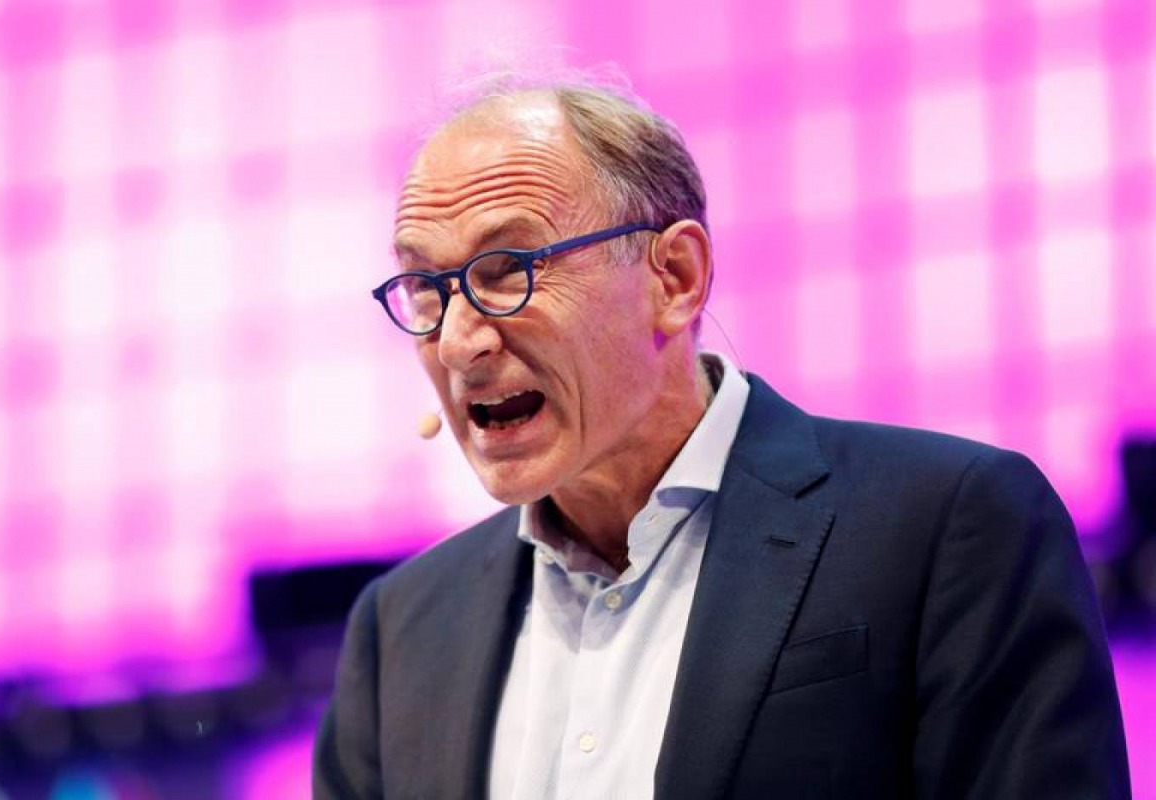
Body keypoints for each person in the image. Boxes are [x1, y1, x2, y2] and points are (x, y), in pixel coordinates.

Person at [314, 76, 1130, 799]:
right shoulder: (401, 630)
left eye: (508, 270)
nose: (459, 342)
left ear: (674, 279)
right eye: (427, 287)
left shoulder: (947, 527)